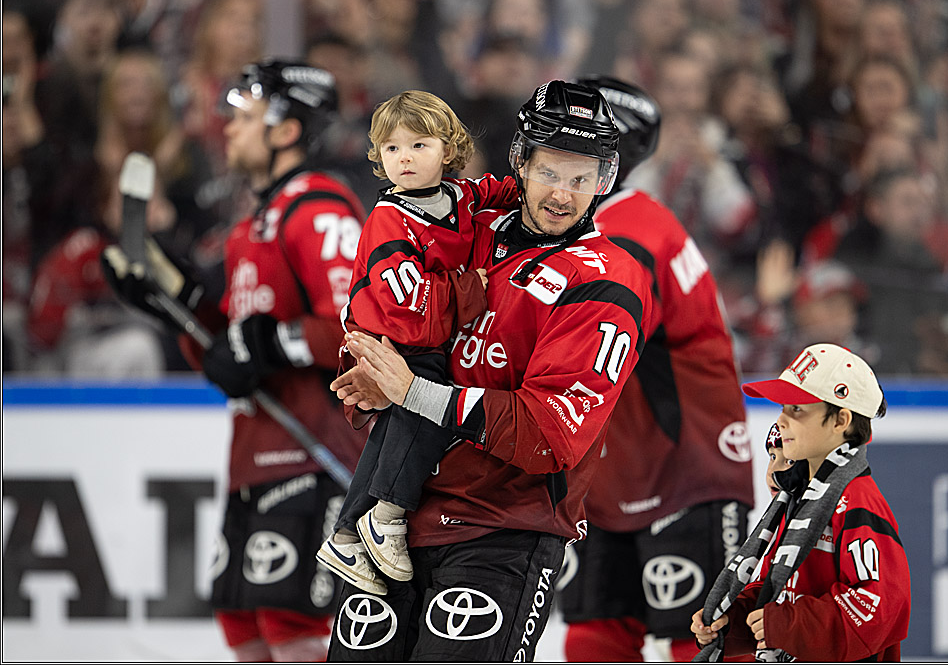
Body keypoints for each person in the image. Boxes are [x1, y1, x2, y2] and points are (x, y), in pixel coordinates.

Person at [326, 80, 654, 661]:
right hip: (398, 525)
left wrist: (413, 391)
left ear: (605, 182)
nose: (563, 194)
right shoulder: (472, 229)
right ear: (520, 165)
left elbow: (550, 434)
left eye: (583, 179)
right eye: (550, 172)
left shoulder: (607, 280)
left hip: (501, 531)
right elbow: (394, 312)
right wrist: (372, 372)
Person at [102, 59, 368, 662]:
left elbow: (359, 329)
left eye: (244, 119)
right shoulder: (251, 227)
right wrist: (172, 305)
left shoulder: (319, 208)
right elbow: (227, 348)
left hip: (314, 456)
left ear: (286, 130)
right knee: (241, 627)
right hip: (254, 459)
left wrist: (267, 344)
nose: (228, 130)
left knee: (292, 629)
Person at [554, 75, 755, 663]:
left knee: (708, 638)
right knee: (596, 633)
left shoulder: (632, 231)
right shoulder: (602, 224)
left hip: (684, 466)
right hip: (615, 471)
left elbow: (600, 342)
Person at [315, 89, 520, 593]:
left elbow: (500, 190)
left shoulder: (457, 196)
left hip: (416, 338)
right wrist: (473, 288)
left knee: (390, 432)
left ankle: (345, 535)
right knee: (428, 404)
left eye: (419, 145)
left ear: (448, 150)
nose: (403, 158)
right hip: (388, 340)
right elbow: (410, 317)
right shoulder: (390, 219)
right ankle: (387, 512)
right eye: (392, 149)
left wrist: (540, 186)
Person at [691, 343, 911, 662]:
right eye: (782, 408)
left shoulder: (857, 502)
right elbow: (779, 591)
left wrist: (785, 624)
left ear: (840, 421)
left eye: (796, 409)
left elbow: (877, 608)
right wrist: (733, 621)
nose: (780, 420)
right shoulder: (796, 498)